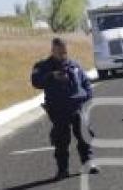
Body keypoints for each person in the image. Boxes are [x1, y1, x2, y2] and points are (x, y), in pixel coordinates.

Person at [30, 37, 97, 179]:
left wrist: (88, 97)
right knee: (61, 140)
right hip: (58, 109)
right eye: (60, 52)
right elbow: (36, 82)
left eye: (65, 52)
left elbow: (86, 83)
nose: (63, 55)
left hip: (78, 107)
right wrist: (51, 76)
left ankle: (88, 163)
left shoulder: (74, 65)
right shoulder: (43, 66)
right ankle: (62, 170)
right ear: (53, 50)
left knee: (85, 136)